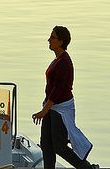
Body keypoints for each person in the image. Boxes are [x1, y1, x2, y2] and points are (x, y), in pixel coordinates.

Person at [32, 26, 97, 169]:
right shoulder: (58, 59)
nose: (49, 40)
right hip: (51, 106)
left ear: (61, 41)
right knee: (46, 145)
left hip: (60, 108)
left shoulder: (64, 63)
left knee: (59, 146)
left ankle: (86, 167)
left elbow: (58, 90)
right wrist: (46, 109)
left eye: (52, 37)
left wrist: (44, 111)